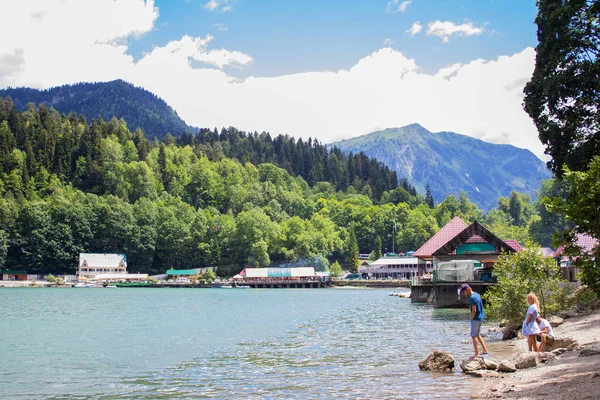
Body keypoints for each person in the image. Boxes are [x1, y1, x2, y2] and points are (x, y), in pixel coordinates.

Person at [459, 283, 489, 358]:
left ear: (468, 289)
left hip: (476, 319)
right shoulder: (477, 294)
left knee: (473, 336)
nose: (464, 294)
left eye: (464, 292)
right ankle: (485, 350)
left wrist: (471, 317)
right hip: (481, 317)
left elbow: (474, 310)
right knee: (477, 334)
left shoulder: (472, 298)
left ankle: (476, 354)